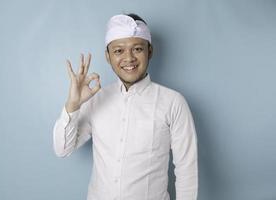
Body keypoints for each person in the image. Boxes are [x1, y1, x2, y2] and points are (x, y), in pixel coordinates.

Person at [53, 13, 198, 200]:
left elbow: (187, 169)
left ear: (150, 51)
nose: (129, 58)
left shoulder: (173, 102)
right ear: (108, 56)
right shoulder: (97, 99)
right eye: (118, 51)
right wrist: (73, 105)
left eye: (137, 49)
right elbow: (62, 149)